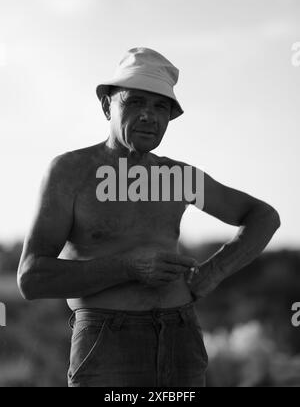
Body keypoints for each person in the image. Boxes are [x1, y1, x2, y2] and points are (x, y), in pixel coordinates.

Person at [17, 47, 281, 387]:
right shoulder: (71, 173)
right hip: (105, 341)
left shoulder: (178, 177)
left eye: (160, 106)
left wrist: (211, 273)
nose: (148, 115)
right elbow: (31, 278)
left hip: (181, 335)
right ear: (106, 105)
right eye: (135, 102)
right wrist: (129, 268)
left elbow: (264, 216)